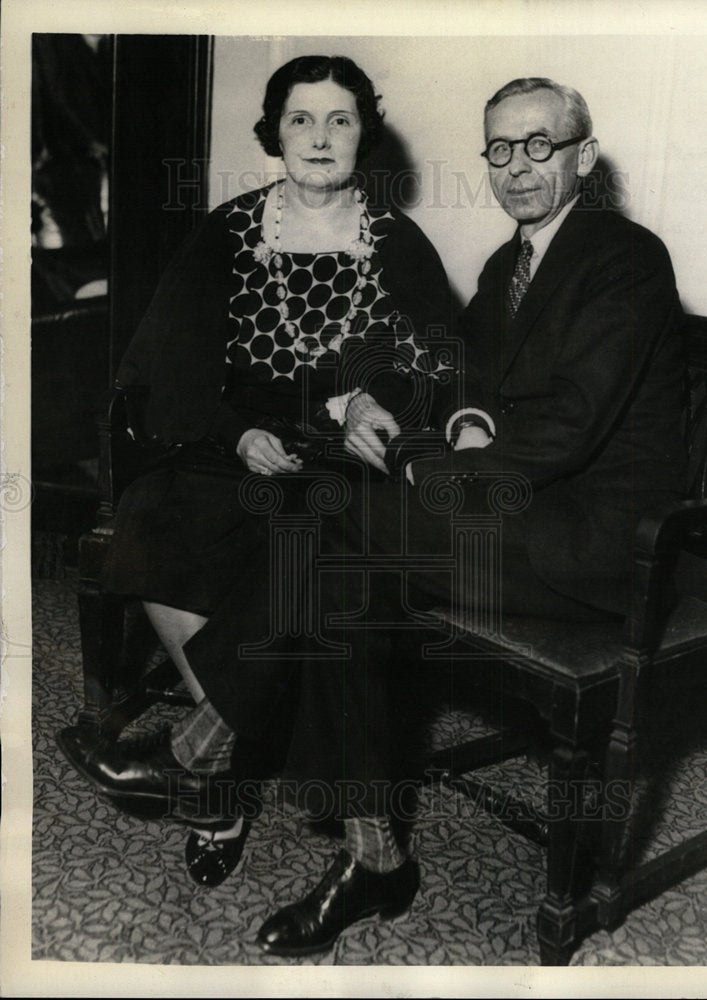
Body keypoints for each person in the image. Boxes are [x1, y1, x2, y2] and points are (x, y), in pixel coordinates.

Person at [60, 76, 686, 954]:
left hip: (594, 547)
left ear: (584, 155)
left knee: (338, 529)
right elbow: (455, 369)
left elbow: (566, 429)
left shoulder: (623, 256)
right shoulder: (516, 264)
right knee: (336, 560)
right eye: (500, 149)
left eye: (539, 145)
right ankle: (373, 855)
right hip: (521, 515)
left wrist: (404, 453)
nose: (516, 167)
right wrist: (412, 411)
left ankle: (202, 749)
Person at [57, 54, 453, 888]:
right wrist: (236, 435)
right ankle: (228, 753)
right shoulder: (232, 230)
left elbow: (432, 365)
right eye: (301, 119)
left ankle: (211, 762)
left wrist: (362, 402)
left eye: (339, 120)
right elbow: (175, 366)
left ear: (363, 136)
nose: (319, 137)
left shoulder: (399, 242)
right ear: (273, 133)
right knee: (160, 515)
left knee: (311, 549)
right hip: (239, 443)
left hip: (345, 457)